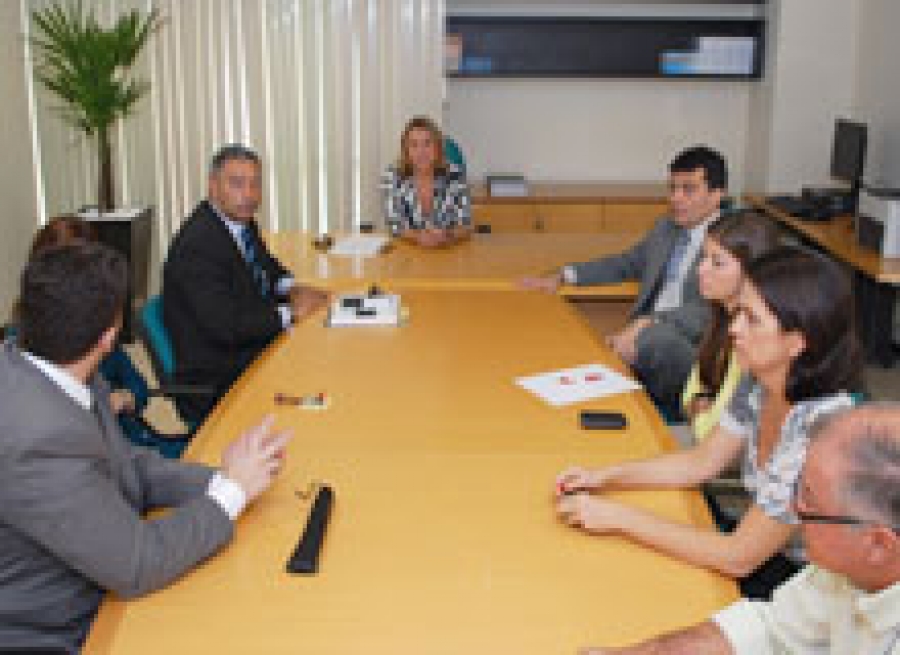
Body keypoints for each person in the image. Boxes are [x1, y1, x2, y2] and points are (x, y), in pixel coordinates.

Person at [0, 242, 292, 652]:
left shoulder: (55, 367)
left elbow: (128, 464)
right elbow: (137, 564)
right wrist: (233, 493)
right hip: (66, 630)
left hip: (102, 582)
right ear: (109, 338)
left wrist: (227, 480)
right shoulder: (37, 440)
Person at [555, 248, 863, 599]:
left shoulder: (821, 429)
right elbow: (701, 462)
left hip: (812, 591)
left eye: (752, 319)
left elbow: (738, 557)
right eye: (738, 312)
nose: (734, 328)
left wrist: (617, 517)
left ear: (797, 342)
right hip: (766, 558)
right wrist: (605, 477)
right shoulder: (761, 380)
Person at [578, 404, 900, 655]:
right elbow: (767, 630)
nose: (791, 508)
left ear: (878, 544)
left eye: (809, 500)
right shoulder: (843, 568)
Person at [521, 146, 728, 419]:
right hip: (643, 340)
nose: (675, 198)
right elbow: (626, 263)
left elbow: (712, 311)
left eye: (688, 190)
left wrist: (649, 322)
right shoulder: (665, 228)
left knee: (654, 340)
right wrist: (565, 274)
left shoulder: (731, 241)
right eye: (672, 188)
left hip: (690, 348)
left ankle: (674, 409)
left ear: (717, 195)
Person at [163, 144, 329, 425]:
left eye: (255, 184)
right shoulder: (197, 246)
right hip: (220, 377)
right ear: (213, 186)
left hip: (249, 349)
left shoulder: (239, 222)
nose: (249, 195)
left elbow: (266, 265)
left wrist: (292, 288)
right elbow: (226, 326)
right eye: (237, 184)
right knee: (319, 378)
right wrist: (290, 313)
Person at [13, 216, 190, 458]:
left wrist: (126, 397)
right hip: (110, 459)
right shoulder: (25, 349)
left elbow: (138, 385)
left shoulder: (96, 319)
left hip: (138, 442)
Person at [678, 211, 782, 445]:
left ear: (752, 271)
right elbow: (689, 395)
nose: (701, 269)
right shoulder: (722, 314)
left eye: (717, 263)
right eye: (703, 258)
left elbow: (709, 433)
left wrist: (702, 412)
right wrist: (699, 406)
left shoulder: (753, 333)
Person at [381, 115, 472, 248]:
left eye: (427, 143)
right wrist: (418, 237)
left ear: (437, 147)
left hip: (447, 252)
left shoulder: (455, 175)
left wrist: (447, 235)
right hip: (408, 251)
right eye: (414, 145)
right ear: (406, 150)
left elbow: (465, 225)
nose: (421, 152)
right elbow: (394, 224)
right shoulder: (393, 176)